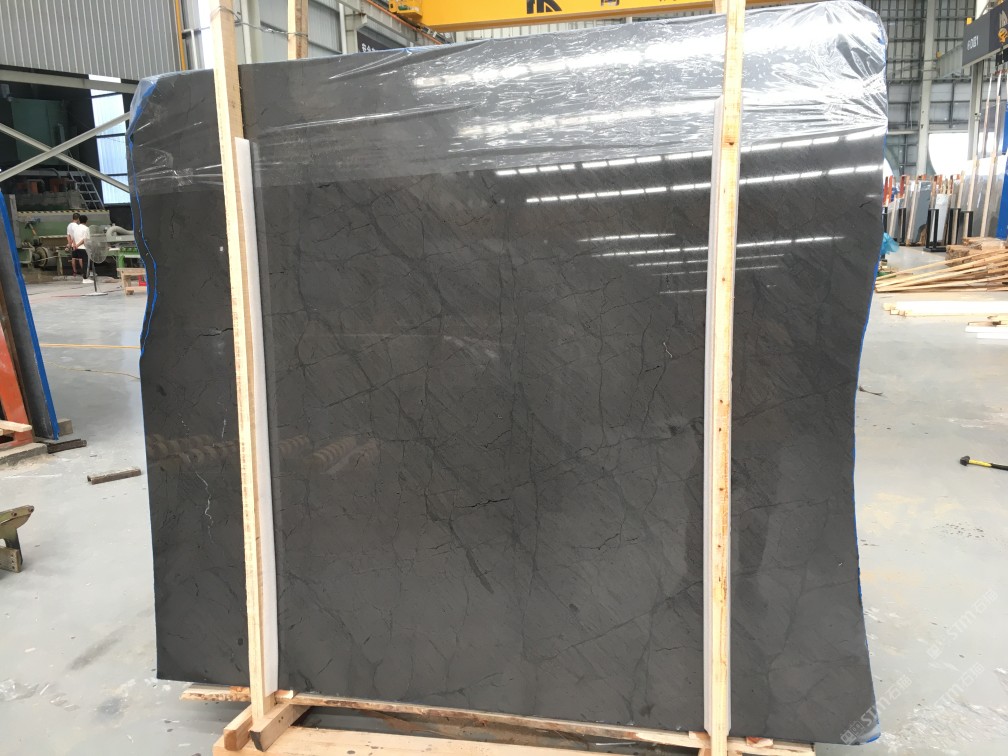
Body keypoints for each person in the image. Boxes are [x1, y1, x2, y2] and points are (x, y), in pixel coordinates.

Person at [70, 214, 91, 281]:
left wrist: (74, 245)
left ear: (79, 220)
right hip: (83, 248)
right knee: (85, 263)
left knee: (80, 262)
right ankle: (85, 278)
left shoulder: (76, 228)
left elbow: (73, 238)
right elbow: (85, 239)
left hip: (76, 248)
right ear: (86, 221)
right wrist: (78, 245)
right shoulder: (86, 228)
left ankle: (84, 277)